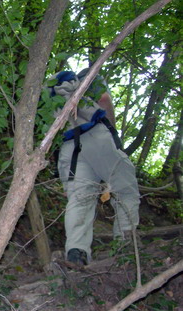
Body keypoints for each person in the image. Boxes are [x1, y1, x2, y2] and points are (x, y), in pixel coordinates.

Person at [53, 67, 140, 266]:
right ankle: (125, 247)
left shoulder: (56, 93)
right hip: (96, 138)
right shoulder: (91, 81)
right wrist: (113, 132)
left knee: (79, 199)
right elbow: (104, 100)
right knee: (126, 190)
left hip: (68, 147)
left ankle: (77, 252)